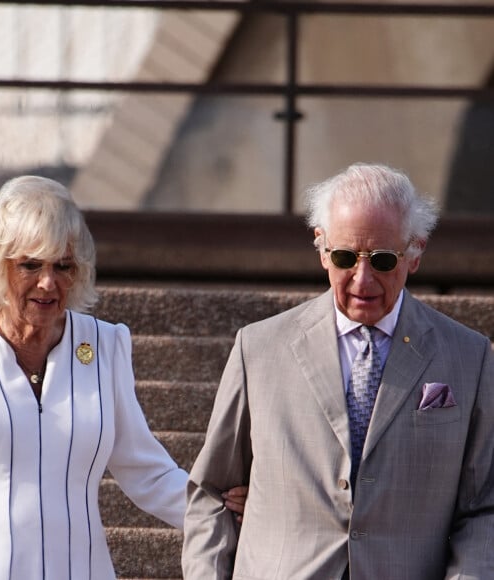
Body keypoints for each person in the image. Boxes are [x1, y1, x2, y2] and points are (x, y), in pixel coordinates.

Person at [0, 175, 246, 580]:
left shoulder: (104, 345)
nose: (48, 282)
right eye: (30, 265)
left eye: (63, 266)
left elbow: (148, 472)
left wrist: (227, 511)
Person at [182, 162, 494, 579]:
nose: (362, 279)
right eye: (346, 257)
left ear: (415, 252)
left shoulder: (470, 357)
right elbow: (212, 493)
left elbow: (484, 508)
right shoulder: (258, 348)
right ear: (323, 248)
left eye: (383, 260)